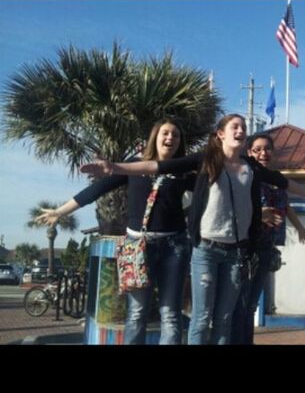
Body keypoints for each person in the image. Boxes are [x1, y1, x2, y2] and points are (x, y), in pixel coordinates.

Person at [82, 113, 305, 345]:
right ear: (221, 134)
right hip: (206, 251)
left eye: (243, 127)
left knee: (223, 318)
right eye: (235, 126)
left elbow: (281, 181)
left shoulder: (251, 167)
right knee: (202, 318)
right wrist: (114, 168)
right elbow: (157, 167)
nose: (241, 130)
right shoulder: (206, 160)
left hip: (236, 253)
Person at [37, 120, 198, 344]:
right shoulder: (133, 166)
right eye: (166, 133)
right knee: (136, 313)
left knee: (170, 314)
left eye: (176, 135)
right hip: (137, 247)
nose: (170, 138)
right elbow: (96, 189)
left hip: (175, 247)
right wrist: (59, 212)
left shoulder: (183, 172)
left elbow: (215, 189)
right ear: (155, 136)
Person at [231, 132, 305, 345]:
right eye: (257, 149)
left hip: (267, 248)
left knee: (251, 305)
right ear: (249, 153)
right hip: (247, 249)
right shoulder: (246, 176)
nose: (263, 153)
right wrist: (260, 211)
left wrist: (300, 227)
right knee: (242, 303)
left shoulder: (276, 177)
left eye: (267, 149)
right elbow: (235, 205)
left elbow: (287, 204)